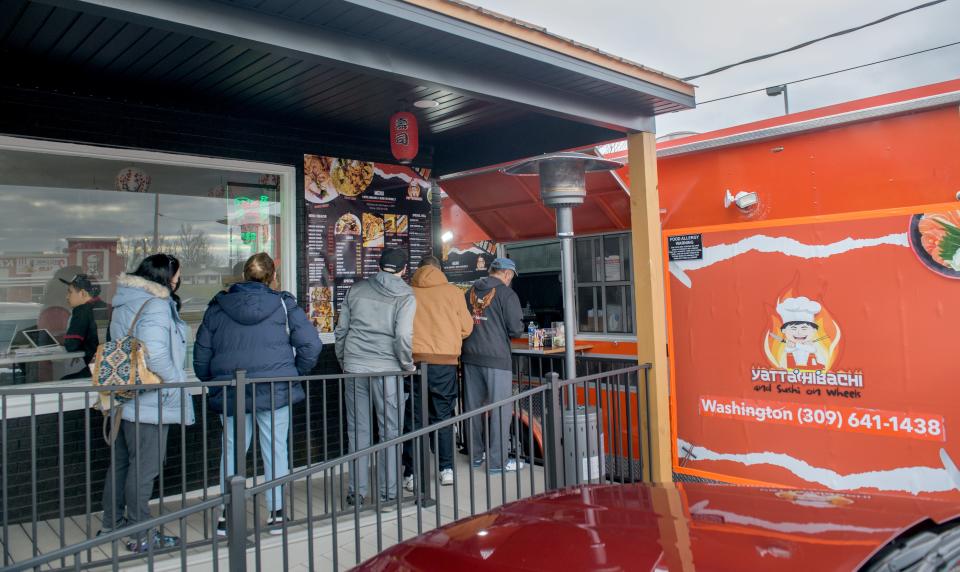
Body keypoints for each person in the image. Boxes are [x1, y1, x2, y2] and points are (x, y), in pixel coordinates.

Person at [194, 252, 321, 536]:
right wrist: (293, 374)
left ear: (243, 276)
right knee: (275, 449)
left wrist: (214, 380)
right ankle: (276, 514)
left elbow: (201, 354)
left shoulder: (218, 306)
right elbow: (310, 347)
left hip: (232, 390)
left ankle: (228, 516)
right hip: (276, 390)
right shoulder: (284, 304)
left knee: (233, 451)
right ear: (273, 277)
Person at [99, 254, 195, 553]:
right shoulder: (156, 304)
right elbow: (155, 354)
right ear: (166, 276)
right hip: (152, 398)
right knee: (145, 468)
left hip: (126, 394)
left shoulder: (126, 300)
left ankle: (113, 524)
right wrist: (175, 382)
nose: (179, 279)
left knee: (122, 463)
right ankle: (141, 534)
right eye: (177, 274)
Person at [335, 248, 416, 509]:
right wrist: (406, 365)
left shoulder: (356, 290)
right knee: (391, 432)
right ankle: (388, 494)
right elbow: (403, 336)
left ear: (379, 266)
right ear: (404, 269)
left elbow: (341, 331)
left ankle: (356, 493)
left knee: (357, 430)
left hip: (355, 366)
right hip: (389, 371)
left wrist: (346, 361)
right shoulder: (405, 294)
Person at [402, 256, 473, 490]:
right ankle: (446, 469)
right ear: (440, 270)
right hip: (445, 364)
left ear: (418, 269)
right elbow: (466, 327)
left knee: (414, 419)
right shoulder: (453, 293)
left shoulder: (407, 292)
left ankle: (412, 474)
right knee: (443, 416)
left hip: (414, 363)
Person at [461, 258, 525, 474]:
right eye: (511, 277)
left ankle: (476, 457)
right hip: (497, 358)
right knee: (501, 411)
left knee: (472, 409)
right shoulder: (507, 295)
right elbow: (516, 329)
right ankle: (497, 463)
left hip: (469, 355)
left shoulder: (469, 291)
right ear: (507, 274)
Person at [60, 273, 108, 379]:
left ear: (82, 293)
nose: (67, 296)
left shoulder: (81, 310)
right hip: (112, 366)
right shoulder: (106, 307)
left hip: (98, 370)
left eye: (70, 292)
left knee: (63, 381)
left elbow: (71, 345)